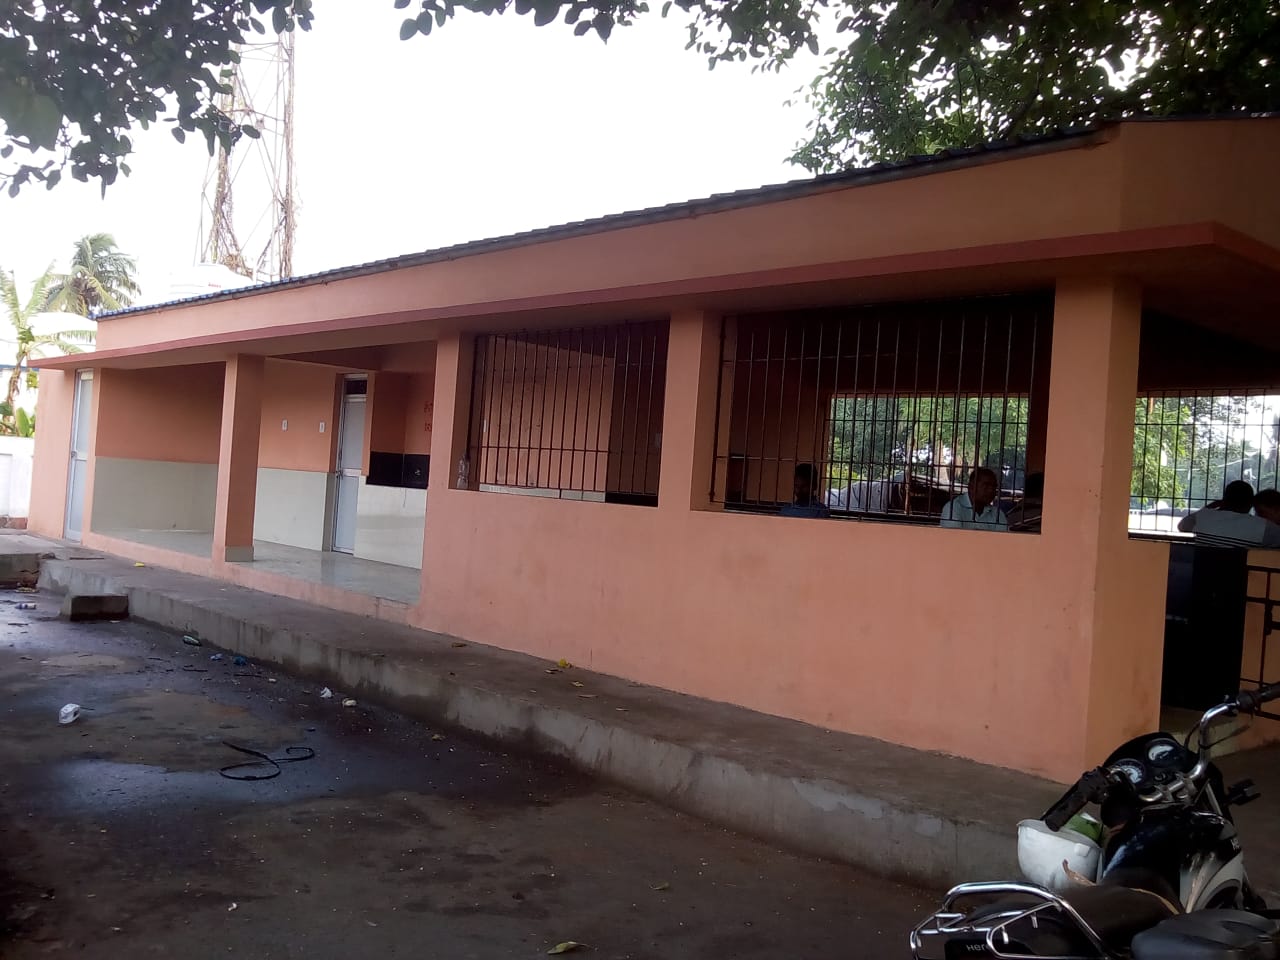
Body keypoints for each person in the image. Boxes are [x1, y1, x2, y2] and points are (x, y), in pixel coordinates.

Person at [940, 467, 1008, 531]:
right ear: (972, 486)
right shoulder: (952, 509)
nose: (991, 490)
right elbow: (953, 538)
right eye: (986, 486)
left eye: (994, 487)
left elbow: (1004, 539)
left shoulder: (997, 514)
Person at [1178, 480, 1255, 533]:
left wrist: (1209, 507)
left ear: (1224, 501)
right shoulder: (1256, 526)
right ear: (1250, 504)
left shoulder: (1205, 520)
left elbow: (1182, 526)